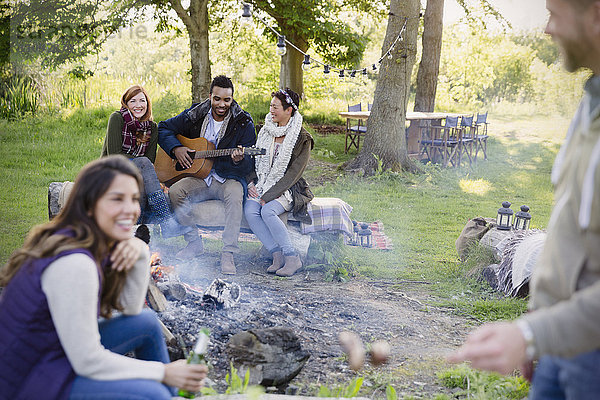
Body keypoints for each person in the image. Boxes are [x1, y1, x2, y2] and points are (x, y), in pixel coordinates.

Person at [449, 0, 600, 398]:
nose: (546, 29)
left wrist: (531, 332)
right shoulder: (591, 101)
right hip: (558, 340)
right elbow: (572, 229)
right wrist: (538, 320)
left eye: (554, 13)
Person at [0, 156, 208, 400]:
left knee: (146, 323)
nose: (130, 209)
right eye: (116, 199)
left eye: (133, 199)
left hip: (55, 352)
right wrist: (163, 372)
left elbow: (131, 308)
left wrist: (140, 251)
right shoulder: (76, 263)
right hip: (28, 381)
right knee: (154, 392)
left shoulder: (88, 240)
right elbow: (88, 360)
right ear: (90, 204)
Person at [158, 75, 256, 274]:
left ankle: (228, 253)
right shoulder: (195, 114)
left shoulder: (243, 121)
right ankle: (194, 243)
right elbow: (163, 128)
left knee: (235, 193)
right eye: (217, 99)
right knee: (176, 192)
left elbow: (249, 164)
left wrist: (240, 159)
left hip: (227, 177)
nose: (222, 104)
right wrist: (176, 148)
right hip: (200, 176)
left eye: (227, 100)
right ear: (210, 96)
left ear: (232, 99)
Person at [101, 85, 189, 239]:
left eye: (142, 101)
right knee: (142, 162)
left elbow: (150, 160)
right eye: (133, 101)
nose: (138, 105)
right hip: (112, 170)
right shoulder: (117, 118)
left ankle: (135, 237)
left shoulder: (152, 128)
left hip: (137, 174)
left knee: (140, 187)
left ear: (147, 104)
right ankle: (166, 222)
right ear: (126, 104)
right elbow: (114, 155)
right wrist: (139, 163)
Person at [244, 88, 314, 277]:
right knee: (250, 210)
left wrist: (268, 196)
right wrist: (251, 182)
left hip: (288, 188)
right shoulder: (266, 131)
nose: (271, 111)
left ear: (289, 110)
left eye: (275, 107)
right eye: (270, 106)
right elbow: (253, 162)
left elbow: (294, 173)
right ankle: (276, 254)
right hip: (262, 182)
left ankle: (292, 257)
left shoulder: (302, 138)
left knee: (267, 210)